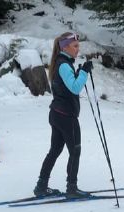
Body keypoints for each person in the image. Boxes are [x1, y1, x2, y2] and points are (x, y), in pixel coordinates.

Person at [33, 32, 93, 198]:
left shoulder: (61, 63)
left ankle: (41, 186)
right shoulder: (64, 64)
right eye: (75, 46)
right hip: (66, 116)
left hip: (57, 114)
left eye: (78, 46)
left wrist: (80, 71)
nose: (78, 49)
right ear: (65, 47)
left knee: (55, 150)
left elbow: (68, 86)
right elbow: (74, 87)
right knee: (75, 151)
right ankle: (72, 188)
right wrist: (84, 73)